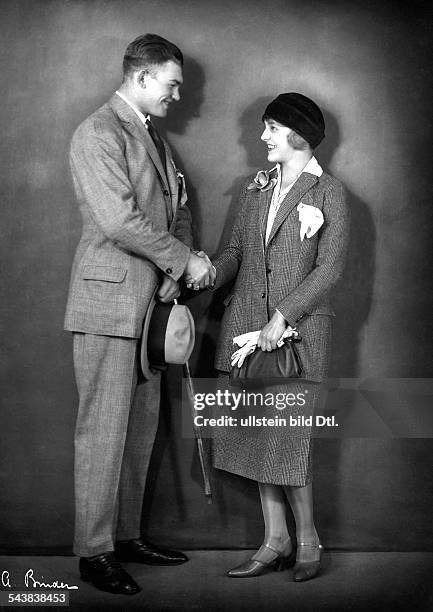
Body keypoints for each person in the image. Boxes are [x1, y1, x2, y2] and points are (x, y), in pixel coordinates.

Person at [64, 34, 214, 595]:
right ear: (142, 77)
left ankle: (126, 536)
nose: (179, 95)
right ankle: (94, 552)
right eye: (173, 84)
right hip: (107, 305)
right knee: (102, 432)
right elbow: (119, 222)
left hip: (151, 309)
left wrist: (181, 272)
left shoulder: (154, 138)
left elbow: (177, 211)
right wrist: (185, 260)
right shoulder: (97, 132)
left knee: (138, 431)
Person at [208, 93, 348, 581]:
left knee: (288, 442)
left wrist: (282, 316)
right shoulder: (256, 187)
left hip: (298, 338)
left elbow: (329, 269)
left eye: (271, 128)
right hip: (243, 331)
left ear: (298, 135)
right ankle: (275, 540)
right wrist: (204, 272)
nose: (262, 136)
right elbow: (237, 252)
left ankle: (308, 540)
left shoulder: (329, 193)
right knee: (256, 441)